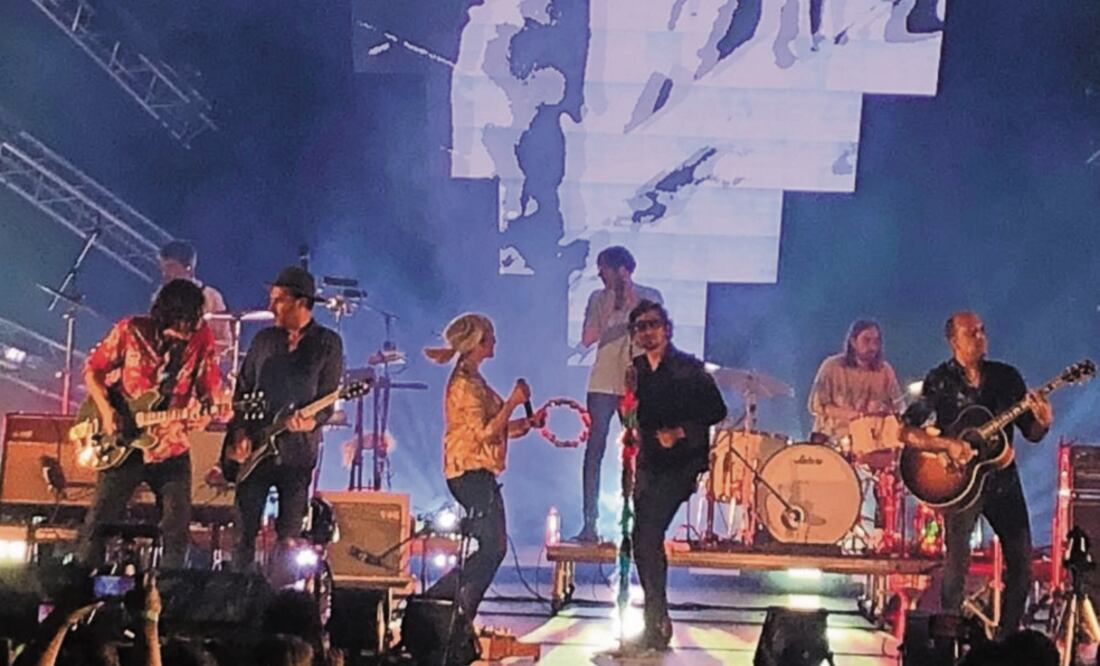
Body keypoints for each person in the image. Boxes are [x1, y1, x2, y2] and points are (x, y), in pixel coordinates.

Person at [900, 311, 1053, 636]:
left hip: (1003, 482)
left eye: (982, 330)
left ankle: (1006, 639)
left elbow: (1031, 433)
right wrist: (947, 445)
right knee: (956, 565)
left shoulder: (1006, 378)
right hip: (959, 484)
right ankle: (949, 638)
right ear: (953, 341)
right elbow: (908, 431)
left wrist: (1043, 421)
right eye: (972, 333)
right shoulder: (940, 380)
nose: (980, 337)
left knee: (1022, 566)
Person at [77, 279, 222, 568]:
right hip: (124, 443)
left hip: (171, 445)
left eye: (191, 322)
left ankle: (170, 586)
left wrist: (206, 412)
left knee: (176, 525)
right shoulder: (131, 330)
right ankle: (80, 582)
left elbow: (209, 391)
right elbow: (93, 370)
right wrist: (107, 411)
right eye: (180, 322)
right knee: (99, 521)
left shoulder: (201, 338)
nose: (185, 330)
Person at [422, 313, 544, 620]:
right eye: (489, 337)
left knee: (493, 547)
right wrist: (512, 402)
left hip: (477, 471)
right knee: (493, 547)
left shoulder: (475, 380)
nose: (495, 341)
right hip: (468, 472)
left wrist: (526, 423)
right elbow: (485, 433)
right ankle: (443, 602)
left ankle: (457, 609)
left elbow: (496, 429)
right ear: (477, 343)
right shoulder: (465, 385)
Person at [621, 300, 726, 653]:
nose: (647, 332)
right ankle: (656, 620)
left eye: (653, 324)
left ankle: (656, 623)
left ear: (666, 329)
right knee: (643, 539)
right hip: (649, 462)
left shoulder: (688, 368)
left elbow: (717, 410)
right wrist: (629, 421)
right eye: (640, 327)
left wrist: (680, 431)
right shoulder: (637, 370)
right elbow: (632, 415)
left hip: (681, 463)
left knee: (648, 533)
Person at [224, 267, 344, 575]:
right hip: (256, 449)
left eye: (278, 300)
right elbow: (243, 391)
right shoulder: (263, 340)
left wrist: (311, 421)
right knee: (244, 532)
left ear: (301, 303)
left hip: (297, 453)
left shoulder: (328, 343)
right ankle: (238, 590)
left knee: (289, 537)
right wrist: (240, 433)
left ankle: (282, 593)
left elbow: (327, 401)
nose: (271, 306)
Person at [573, 246, 662, 543]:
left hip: (635, 383)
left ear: (622, 270)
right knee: (594, 450)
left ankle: (638, 520)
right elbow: (587, 338)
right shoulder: (598, 299)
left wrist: (634, 307)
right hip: (602, 382)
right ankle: (589, 523)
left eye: (605, 270)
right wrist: (611, 311)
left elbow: (656, 336)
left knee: (638, 450)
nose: (600, 275)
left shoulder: (650, 296)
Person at [807, 319, 905, 442]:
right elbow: (817, 404)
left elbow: (898, 406)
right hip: (833, 438)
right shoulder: (831, 366)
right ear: (853, 342)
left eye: (876, 341)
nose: (873, 347)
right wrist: (853, 415)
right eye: (866, 340)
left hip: (870, 441)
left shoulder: (885, 371)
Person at [157, 240, 231, 356]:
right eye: (163, 268)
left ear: (189, 268)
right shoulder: (160, 296)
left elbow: (225, 342)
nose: (165, 273)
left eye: (171, 267)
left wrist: (196, 348)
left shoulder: (211, 297)